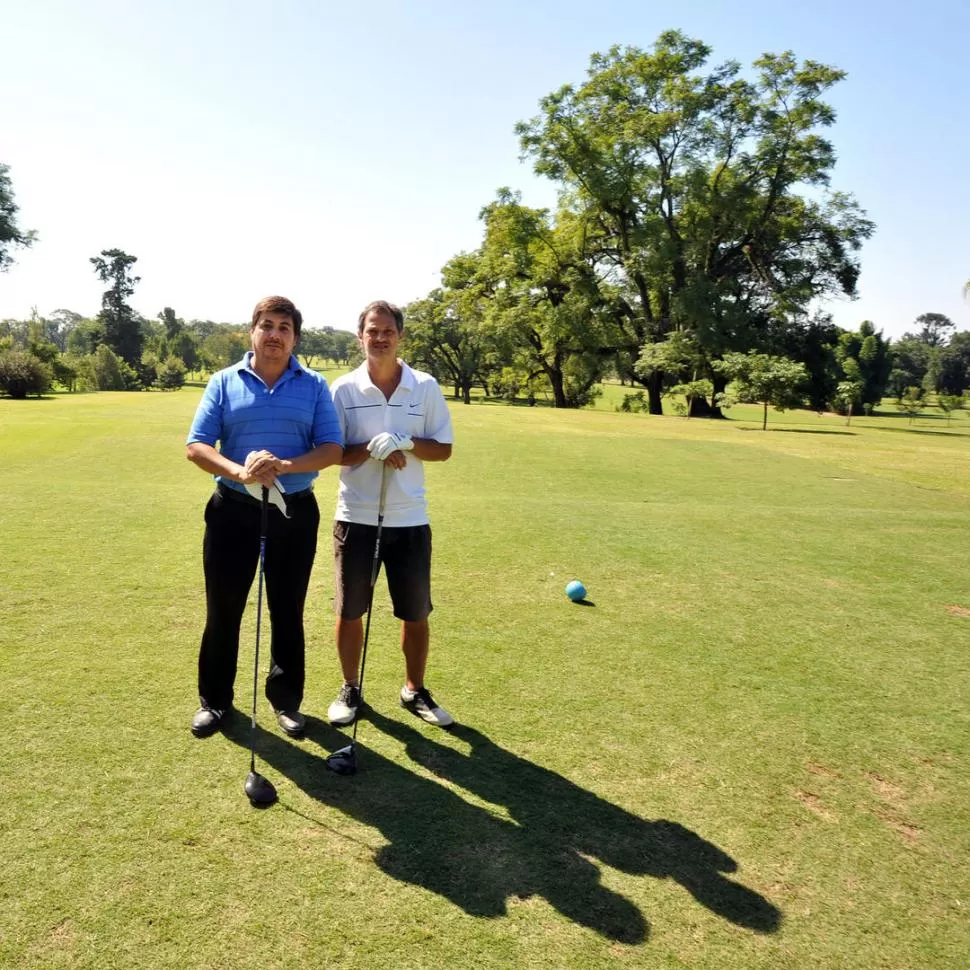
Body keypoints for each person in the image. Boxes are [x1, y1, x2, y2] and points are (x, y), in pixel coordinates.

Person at [185, 295, 343, 739]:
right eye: (267, 325)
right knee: (224, 609)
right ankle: (215, 701)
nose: (275, 334)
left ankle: (286, 702)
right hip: (232, 510)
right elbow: (196, 446)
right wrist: (242, 471)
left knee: (287, 610)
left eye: (284, 328)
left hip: (293, 511)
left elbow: (331, 448)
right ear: (252, 331)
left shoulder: (313, 385)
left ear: (294, 337)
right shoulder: (222, 382)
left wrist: (282, 466)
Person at [327, 300, 454, 728]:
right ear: (360, 337)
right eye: (372, 331)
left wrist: (405, 441)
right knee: (350, 611)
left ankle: (413, 689)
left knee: (415, 613)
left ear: (400, 336)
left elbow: (443, 448)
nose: (379, 338)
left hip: (410, 519)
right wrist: (373, 446)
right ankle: (350, 687)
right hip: (356, 516)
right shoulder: (343, 389)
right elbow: (334, 452)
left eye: (388, 331)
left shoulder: (425, 386)